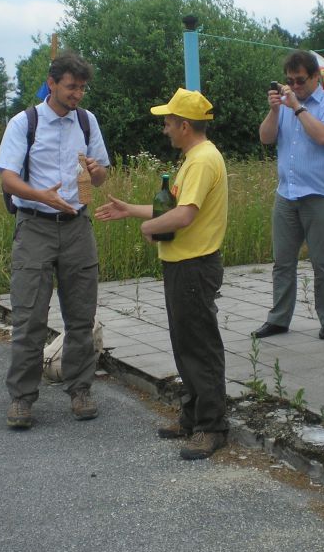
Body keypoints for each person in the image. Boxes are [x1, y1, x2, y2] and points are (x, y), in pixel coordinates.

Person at [95, 88, 229, 461]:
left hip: (194, 266)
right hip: (183, 264)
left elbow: (184, 215)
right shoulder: (194, 158)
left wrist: (148, 228)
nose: (165, 129)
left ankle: (212, 427)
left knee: (200, 346)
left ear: (185, 125)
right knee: (186, 345)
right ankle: (192, 417)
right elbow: (170, 207)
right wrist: (131, 210)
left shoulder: (202, 161)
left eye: (169, 122)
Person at [0, 51, 110, 429]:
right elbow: (8, 179)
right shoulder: (24, 123)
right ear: (53, 83)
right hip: (35, 226)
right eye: (71, 87)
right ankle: (22, 399)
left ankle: (80, 390)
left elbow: (101, 176)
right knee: (29, 318)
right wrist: (40, 195)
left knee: (81, 316)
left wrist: (97, 172)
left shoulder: (88, 122)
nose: (78, 94)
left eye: (82, 88)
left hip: (77, 226)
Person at [252, 50, 324, 341]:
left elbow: (323, 137)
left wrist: (296, 108)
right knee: (282, 262)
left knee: (323, 262)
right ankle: (279, 319)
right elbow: (265, 138)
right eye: (289, 81)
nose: (294, 87)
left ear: (316, 77)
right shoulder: (283, 106)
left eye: (301, 81)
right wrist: (274, 110)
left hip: (320, 195)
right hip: (287, 194)